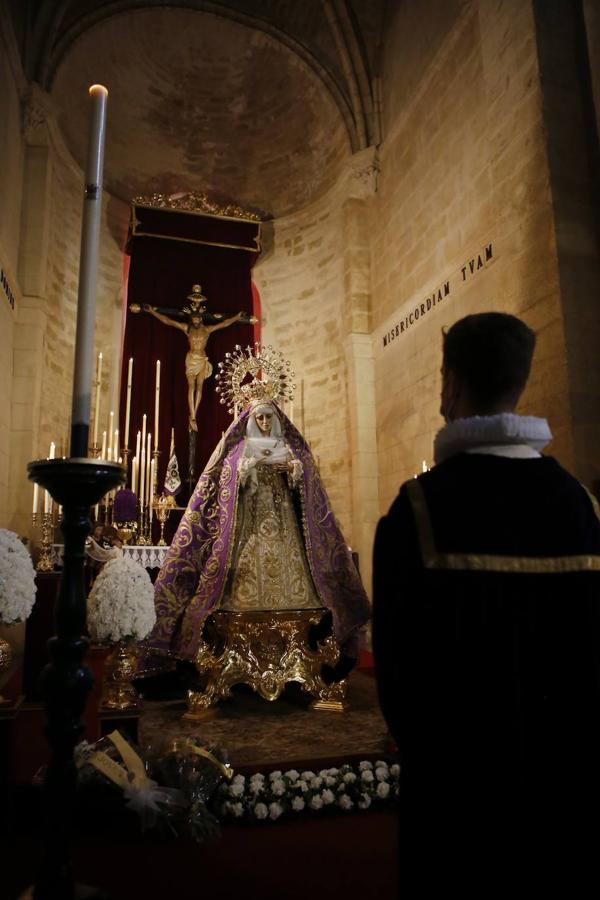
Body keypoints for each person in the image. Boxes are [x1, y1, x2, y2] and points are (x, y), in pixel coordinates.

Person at [373, 312, 600, 895]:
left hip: (457, 805)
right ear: (519, 382)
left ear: (450, 384)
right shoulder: (582, 507)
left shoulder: (418, 512)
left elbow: (398, 682)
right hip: (564, 796)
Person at [148, 398, 370, 670]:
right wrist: (246, 469)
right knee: (241, 584)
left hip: (283, 525)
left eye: (268, 418)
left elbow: (306, 479)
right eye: (260, 418)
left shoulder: (287, 448)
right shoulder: (241, 449)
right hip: (250, 527)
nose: (264, 423)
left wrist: (292, 470)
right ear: (252, 420)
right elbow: (226, 479)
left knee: (297, 583)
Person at [142, 302, 244, 431]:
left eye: (197, 318)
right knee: (191, 386)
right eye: (193, 319)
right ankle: (192, 414)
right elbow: (168, 321)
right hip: (191, 360)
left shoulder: (207, 330)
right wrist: (152, 312)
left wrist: (236, 317)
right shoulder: (187, 328)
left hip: (201, 359)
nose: (195, 320)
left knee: (200, 386)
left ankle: (194, 414)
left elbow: (223, 324)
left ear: (200, 318)